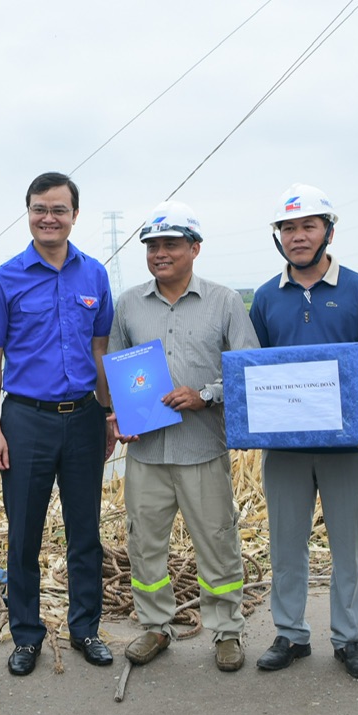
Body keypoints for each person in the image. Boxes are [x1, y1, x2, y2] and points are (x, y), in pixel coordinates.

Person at [248, 183, 358, 679]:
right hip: (287, 448)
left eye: (308, 226)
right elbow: (257, 369)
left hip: (349, 444)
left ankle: (349, 639)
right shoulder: (267, 297)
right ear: (279, 237)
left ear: (328, 231)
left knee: (349, 546)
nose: (298, 236)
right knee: (286, 542)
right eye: (288, 228)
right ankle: (290, 634)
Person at [108, 202, 260, 671]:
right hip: (148, 453)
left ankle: (226, 632)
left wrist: (206, 394)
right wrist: (120, 413)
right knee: (145, 543)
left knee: (216, 541)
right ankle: (156, 626)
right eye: (152, 245)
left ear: (194, 248)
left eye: (171, 243)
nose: (160, 253)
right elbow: (116, 366)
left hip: (201, 449)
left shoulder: (225, 301)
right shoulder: (129, 303)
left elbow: (245, 367)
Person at [0, 172, 115, 675]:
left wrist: (106, 412)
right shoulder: (4, 278)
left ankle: (86, 629)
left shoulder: (95, 275)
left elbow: (100, 350)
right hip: (26, 420)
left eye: (59, 209)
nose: (49, 218)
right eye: (40, 209)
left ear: (75, 215)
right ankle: (27, 635)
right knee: (24, 535)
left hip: (81, 417)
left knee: (85, 531)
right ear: (28, 213)